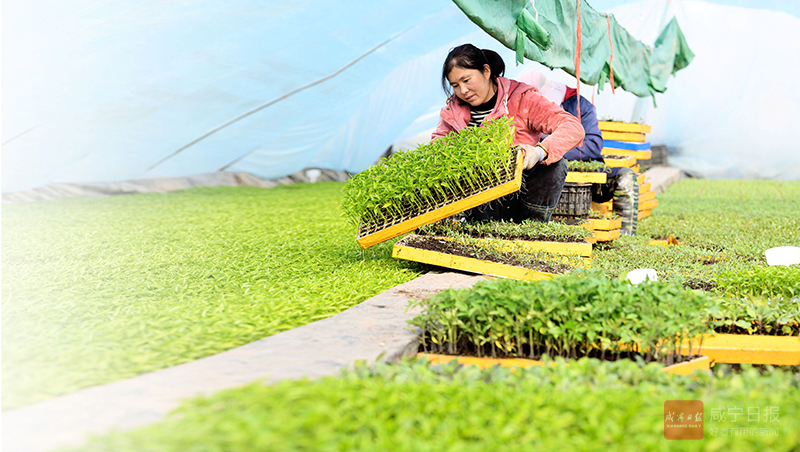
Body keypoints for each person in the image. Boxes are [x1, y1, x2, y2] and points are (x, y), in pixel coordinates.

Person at [432, 44, 585, 223]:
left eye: (467, 80)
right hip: (479, 199)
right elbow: (437, 151)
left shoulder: (521, 98)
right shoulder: (452, 112)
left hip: (522, 194)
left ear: (486, 71)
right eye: (455, 85)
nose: (463, 91)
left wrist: (538, 152)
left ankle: (531, 229)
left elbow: (572, 127)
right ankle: (478, 229)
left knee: (555, 166)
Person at [522, 71, 639, 235]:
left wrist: (551, 150)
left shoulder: (579, 105)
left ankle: (626, 236)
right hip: (541, 178)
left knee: (626, 176)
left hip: (586, 178)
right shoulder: (518, 106)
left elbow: (593, 145)